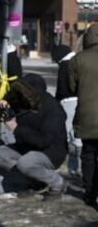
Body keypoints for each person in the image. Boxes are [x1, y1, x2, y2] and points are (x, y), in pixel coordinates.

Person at [0, 73, 68, 201]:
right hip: (27, 145)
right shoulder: (22, 98)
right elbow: (1, 110)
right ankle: (37, 182)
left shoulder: (53, 109)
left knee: (25, 163)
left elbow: (44, 141)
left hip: (51, 151)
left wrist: (16, 128)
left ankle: (57, 183)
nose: (20, 95)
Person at [68, 24, 98, 208]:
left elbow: (72, 87)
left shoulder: (78, 59)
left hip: (87, 116)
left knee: (88, 155)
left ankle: (89, 192)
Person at [51, 44, 82, 178]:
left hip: (68, 102)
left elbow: (62, 88)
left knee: (67, 133)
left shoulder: (65, 65)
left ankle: (73, 166)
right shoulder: (76, 62)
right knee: (77, 134)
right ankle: (78, 166)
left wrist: (56, 101)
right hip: (78, 101)